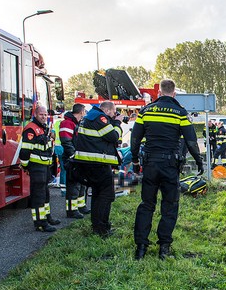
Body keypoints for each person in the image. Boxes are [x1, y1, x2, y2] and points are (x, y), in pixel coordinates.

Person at [131, 79, 196, 260]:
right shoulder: (180, 113)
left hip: (150, 164)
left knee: (146, 205)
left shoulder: (146, 111)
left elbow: (135, 139)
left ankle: (141, 248)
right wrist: (198, 160)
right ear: (174, 93)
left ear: (159, 93)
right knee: (169, 206)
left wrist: (135, 160)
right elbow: (191, 140)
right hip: (169, 166)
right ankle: (164, 249)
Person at [73, 101, 121, 237]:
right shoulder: (100, 118)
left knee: (97, 194)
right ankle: (102, 229)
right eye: (113, 112)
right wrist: (117, 123)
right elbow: (114, 137)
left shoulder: (90, 116)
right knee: (106, 195)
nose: (114, 115)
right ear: (107, 111)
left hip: (89, 163)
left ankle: (97, 226)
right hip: (98, 164)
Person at [19, 105, 61, 232]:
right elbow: (25, 151)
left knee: (45, 195)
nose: (44, 117)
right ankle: (40, 223)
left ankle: (47, 218)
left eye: (45, 115)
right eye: (41, 114)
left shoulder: (42, 128)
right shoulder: (31, 129)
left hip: (44, 166)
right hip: (36, 167)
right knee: (38, 196)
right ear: (35, 115)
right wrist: (25, 166)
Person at [59, 104, 89, 219]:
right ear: (81, 112)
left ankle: (81, 206)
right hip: (71, 159)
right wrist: (73, 155)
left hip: (78, 157)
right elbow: (66, 141)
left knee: (81, 184)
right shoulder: (67, 123)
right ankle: (71, 210)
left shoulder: (76, 123)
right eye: (84, 112)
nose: (85, 114)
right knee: (73, 186)